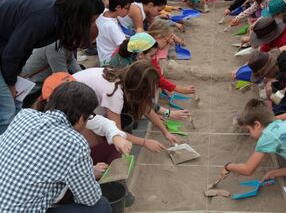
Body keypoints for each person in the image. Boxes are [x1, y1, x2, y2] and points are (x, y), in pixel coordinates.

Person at [0, 0, 104, 134]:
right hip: (6, 52)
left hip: (6, 49)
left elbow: (25, 48)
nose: (90, 25)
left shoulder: (59, 17)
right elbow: (13, 53)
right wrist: (10, 82)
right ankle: (7, 151)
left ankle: (17, 141)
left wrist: (15, 75)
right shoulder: (44, 18)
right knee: (6, 112)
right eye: (91, 20)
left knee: (16, 104)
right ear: (80, 14)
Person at [0, 81, 111, 212]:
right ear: (81, 119)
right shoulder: (75, 142)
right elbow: (89, 198)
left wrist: (86, 170)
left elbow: (29, 162)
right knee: (100, 206)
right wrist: (86, 175)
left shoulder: (24, 115)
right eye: (90, 117)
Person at [73, 60, 180, 145]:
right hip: (67, 105)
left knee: (103, 133)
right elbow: (116, 131)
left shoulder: (120, 76)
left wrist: (165, 132)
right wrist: (145, 142)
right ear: (140, 87)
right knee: (98, 144)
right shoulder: (114, 92)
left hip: (77, 99)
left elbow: (145, 108)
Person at [20, 41, 82, 106]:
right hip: (32, 90)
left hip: (42, 83)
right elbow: (63, 78)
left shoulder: (64, 42)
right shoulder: (55, 46)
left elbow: (72, 62)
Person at [148, 19, 196, 95]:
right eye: (168, 39)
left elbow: (160, 74)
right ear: (158, 37)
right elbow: (159, 78)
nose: (171, 41)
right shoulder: (150, 55)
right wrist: (180, 89)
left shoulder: (154, 46)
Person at [96, 0, 133, 65]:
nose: (128, 11)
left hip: (103, 57)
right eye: (127, 8)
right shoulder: (111, 26)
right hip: (111, 61)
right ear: (118, 7)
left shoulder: (103, 13)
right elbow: (125, 47)